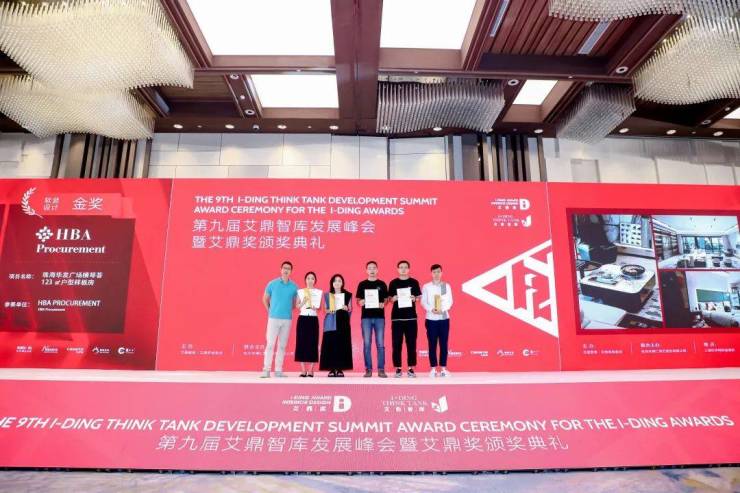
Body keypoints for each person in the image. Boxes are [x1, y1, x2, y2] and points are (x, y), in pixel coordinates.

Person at [261, 261, 299, 378]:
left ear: (291, 271)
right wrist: (270, 311)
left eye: (288, 268)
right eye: (284, 268)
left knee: (282, 346)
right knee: (270, 344)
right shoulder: (272, 284)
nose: (286, 270)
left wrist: (286, 309)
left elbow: (295, 303)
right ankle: (266, 370)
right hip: (273, 319)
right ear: (281, 269)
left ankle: (278, 370)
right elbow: (265, 299)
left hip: (287, 320)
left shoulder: (294, 287)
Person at [388, 260, 422, 378]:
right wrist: (393, 298)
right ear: (398, 269)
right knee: (396, 344)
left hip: (411, 318)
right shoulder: (393, 283)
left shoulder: (414, 282)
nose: (403, 269)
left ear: (409, 269)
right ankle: (398, 368)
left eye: (405, 267)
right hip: (397, 319)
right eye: (401, 267)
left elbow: (418, 297)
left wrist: (414, 298)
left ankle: (411, 368)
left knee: (411, 344)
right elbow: (389, 299)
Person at [355, 261, 388, 378]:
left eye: (374, 268)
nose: (372, 270)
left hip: (379, 317)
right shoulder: (362, 284)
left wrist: (384, 303)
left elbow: (386, 299)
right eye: (370, 268)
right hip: (366, 318)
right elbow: (357, 300)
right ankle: (368, 369)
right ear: (366, 270)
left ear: (377, 270)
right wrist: (360, 302)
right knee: (367, 344)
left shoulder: (382, 284)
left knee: (380, 344)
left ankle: (381, 369)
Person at [421, 264, 453, 378]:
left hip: (444, 318)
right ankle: (433, 369)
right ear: (431, 273)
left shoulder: (445, 286)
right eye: (434, 272)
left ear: (441, 273)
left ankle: (443, 368)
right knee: (432, 344)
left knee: (444, 343)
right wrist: (431, 309)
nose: (436, 274)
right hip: (431, 319)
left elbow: (449, 301)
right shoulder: (427, 286)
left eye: (438, 272)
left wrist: (442, 310)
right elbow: (423, 302)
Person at [319, 274, 353, 377]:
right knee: (331, 345)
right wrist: (329, 310)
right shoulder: (327, 295)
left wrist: (346, 308)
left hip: (343, 321)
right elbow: (325, 309)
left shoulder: (347, 295)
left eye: (339, 281)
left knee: (342, 345)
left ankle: (340, 369)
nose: (337, 283)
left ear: (342, 283)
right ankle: (332, 369)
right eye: (335, 281)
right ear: (332, 283)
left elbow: (350, 308)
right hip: (331, 322)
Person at [294, 271, 322, 377]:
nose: (310, 280)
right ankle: (303, 370)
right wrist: (303, 302)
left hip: (313, 319)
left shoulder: (318, 292)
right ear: (305, 280)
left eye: (312, 278)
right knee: (301, 342)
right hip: (302, 318)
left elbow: (319, 307)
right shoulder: (300, 291)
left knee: (313, 343)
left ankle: (310, 370)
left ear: (315, 281)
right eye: (308, 278)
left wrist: (316, 307)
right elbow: (297, 305)